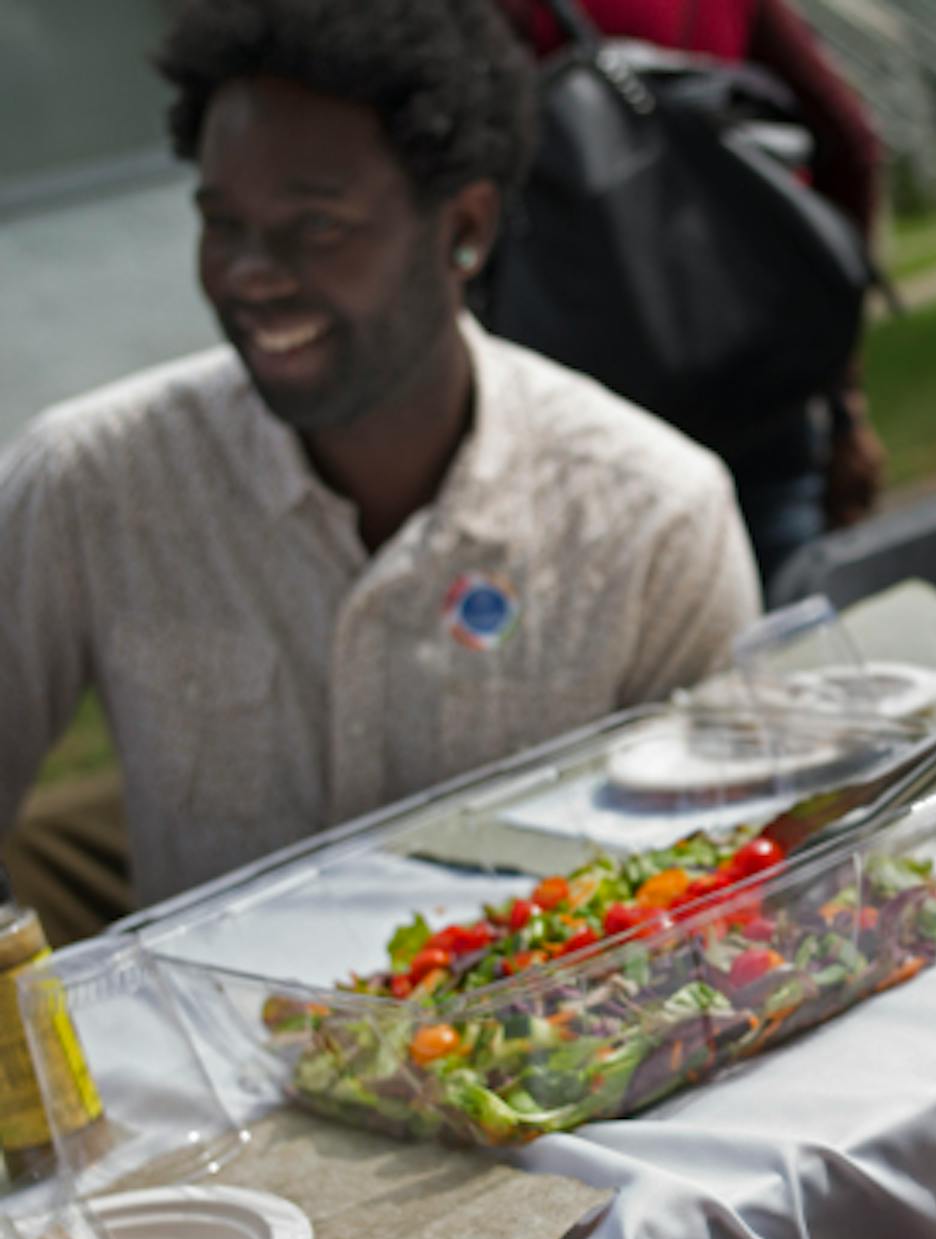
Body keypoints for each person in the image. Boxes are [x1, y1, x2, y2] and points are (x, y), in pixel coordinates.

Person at [0, 0, 761, 924]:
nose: (249, 273)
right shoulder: (89, 485)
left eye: (316, 226)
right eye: (222, 222)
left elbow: (723, 896)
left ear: (464, 227)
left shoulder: (652, 517)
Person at [505, 0, 890, 583]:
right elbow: (848, 140)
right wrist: (844, 396)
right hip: (756, 368)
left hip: (599, 418)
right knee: (802, 612)